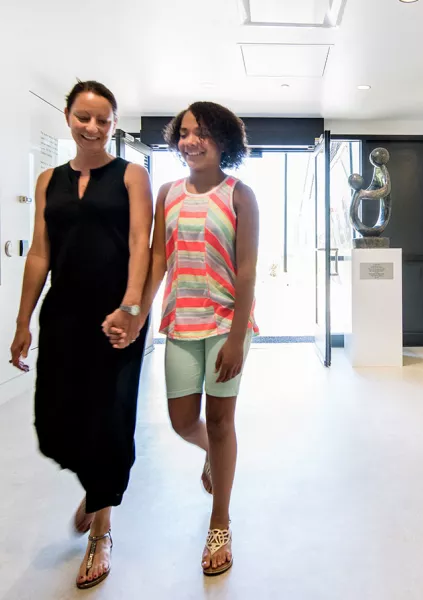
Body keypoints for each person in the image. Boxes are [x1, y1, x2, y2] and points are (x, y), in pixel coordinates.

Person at [105, 101, 259, 576]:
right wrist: (136, 312)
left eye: (204, 133)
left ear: (224, 142)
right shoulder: (168, 192)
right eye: (185, 132)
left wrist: (236, 338)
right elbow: (156, 261)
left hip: (226, 323)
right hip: (181, 321)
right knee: (180, 420)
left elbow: (248, 271)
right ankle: (216, 457)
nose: (191, 141)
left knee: (219, 420)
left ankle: (220, 521)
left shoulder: (240, 194)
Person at [9, 80, 153, 589]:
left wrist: (132, 307)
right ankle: (96, 484)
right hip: (64, 314)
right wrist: (23, 320)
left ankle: (102, 526)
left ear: (114, 125)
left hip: (117, 317)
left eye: (103, 120)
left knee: (110, 417)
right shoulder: (49, 180)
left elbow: (142, 243)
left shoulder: (133, 175)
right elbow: (40, 253)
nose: (92, 127)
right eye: (83, 117)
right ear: (68, 117)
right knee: (56, 421)